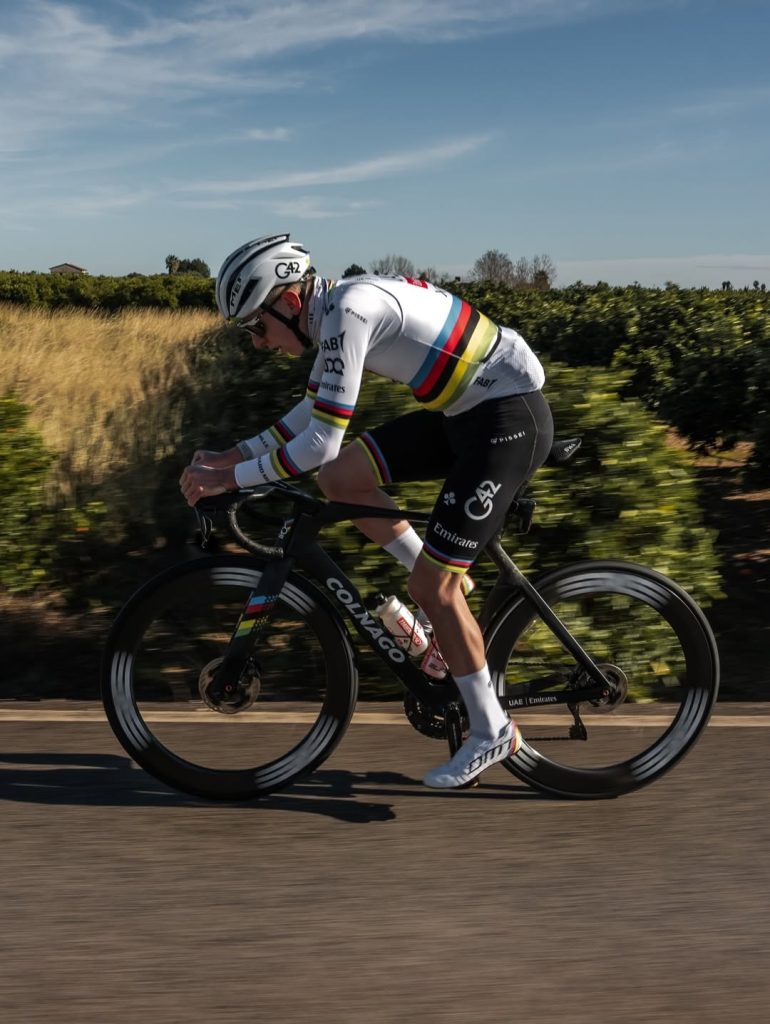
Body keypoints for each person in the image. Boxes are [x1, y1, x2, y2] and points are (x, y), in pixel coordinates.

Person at [180, 233, 554, 788]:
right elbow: (312, 412)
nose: (258, 343)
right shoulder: (335, 310)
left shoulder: (349, 310)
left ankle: (491, 728)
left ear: (289, 301)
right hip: (467, 413)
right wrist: (231, 456)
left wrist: (228, 480)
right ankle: (448, 588)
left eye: (257, 326)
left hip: (507, 418)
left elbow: (319, 442)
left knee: (432, 586)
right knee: (341, 480)